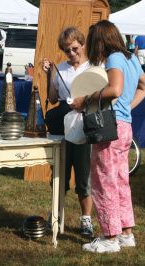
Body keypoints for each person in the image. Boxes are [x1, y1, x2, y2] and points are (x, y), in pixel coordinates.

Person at [70, 20, 145, 253]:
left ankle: (110, 236)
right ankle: (126, 233)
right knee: (120, 181)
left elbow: (114, 89)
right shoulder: (131, 58)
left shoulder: (114, 58)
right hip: (124, 127)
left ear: (101, 41)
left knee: (104, 182)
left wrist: (85, 99)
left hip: (109, 129)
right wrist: (126, 109)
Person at [42, 27, 94, 237]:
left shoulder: (93, 67)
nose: (71, 54)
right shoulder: (61, 68)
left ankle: (86, 219)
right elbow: (53, 99)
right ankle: (55, 216)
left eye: (74, 48)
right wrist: (49, 76)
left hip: (83, 125)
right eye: (66, 50)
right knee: (60, 174)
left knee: (83, 176)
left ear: (82, 45)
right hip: (62, 125)